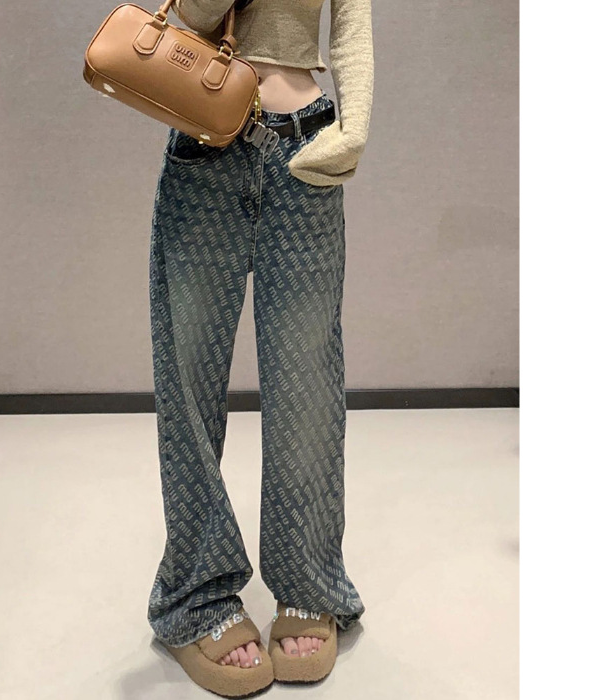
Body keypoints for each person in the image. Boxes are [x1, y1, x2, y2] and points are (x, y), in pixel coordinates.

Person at [146, 0, 374, 695]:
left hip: (305, 150)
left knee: (307, 383)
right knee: (188, 378)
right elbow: (194, 15)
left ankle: (308, 582)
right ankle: (196, 595)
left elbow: (351, 24)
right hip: (206, 146)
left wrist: (354, 128)